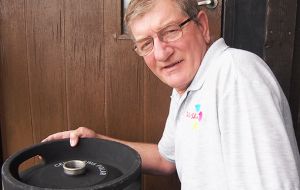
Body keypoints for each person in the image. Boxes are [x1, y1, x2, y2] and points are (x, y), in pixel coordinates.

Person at [43, 0, 300, 189]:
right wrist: (97, 144)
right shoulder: (187, 87)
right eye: (146, 44)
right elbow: (168, 159)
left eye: (170, 31)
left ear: (202, 26)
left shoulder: (235, 73)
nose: (161, 53)